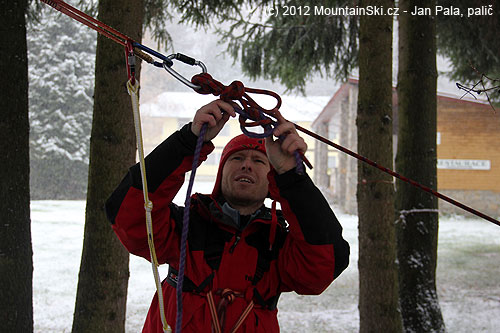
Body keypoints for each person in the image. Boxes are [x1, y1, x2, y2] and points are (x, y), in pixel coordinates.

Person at [105, 99, 350, 332]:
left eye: (258, 160)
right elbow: (127, 212)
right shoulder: (183, 227)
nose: (246, 165)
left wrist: (291, 177)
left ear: (270, 182)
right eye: (237, 158)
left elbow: (325, 264)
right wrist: (188, 141)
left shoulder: (279, 246)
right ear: (220, 174)